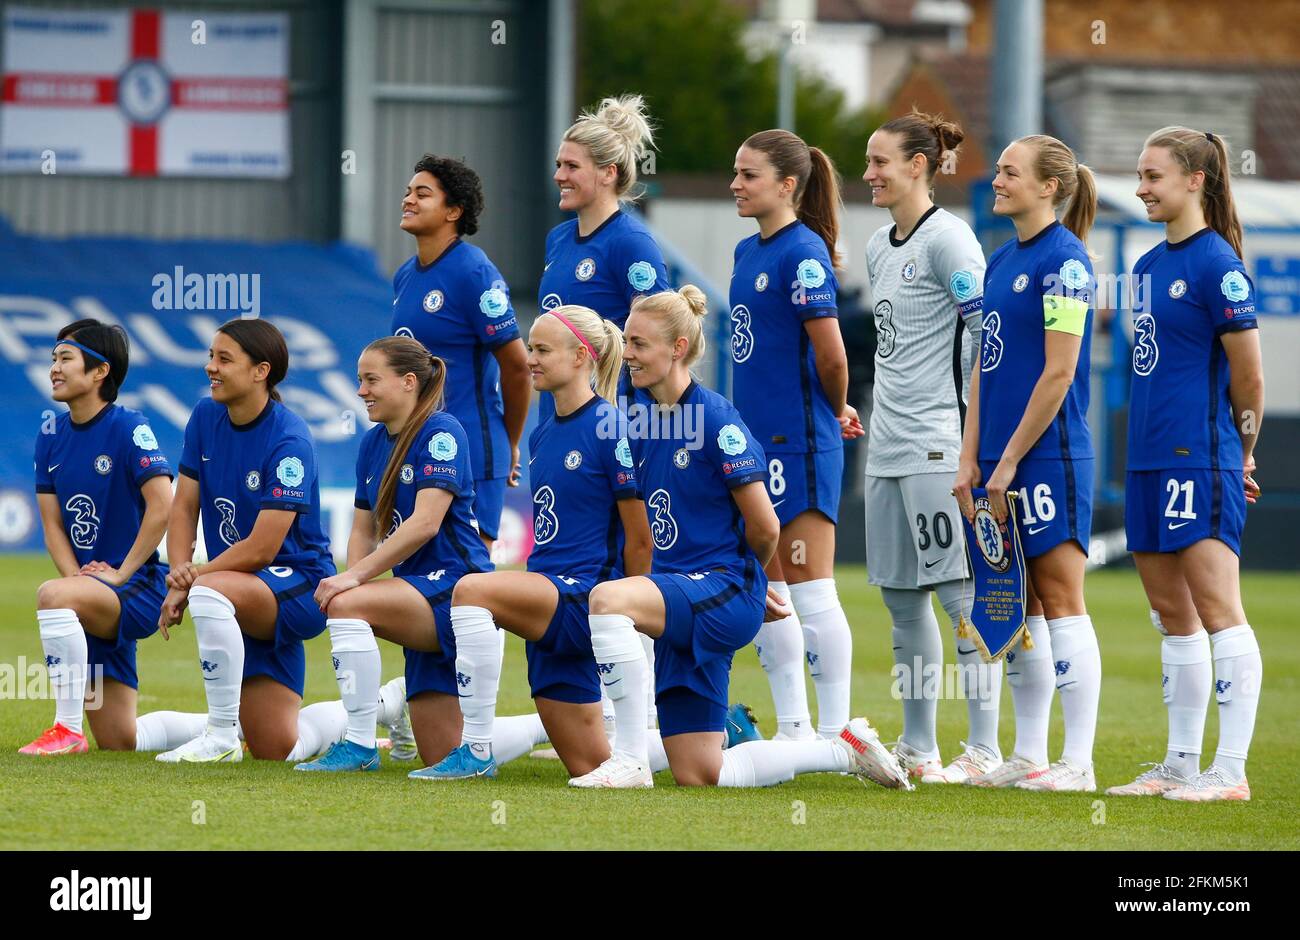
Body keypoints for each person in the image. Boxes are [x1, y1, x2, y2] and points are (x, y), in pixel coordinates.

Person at [568, 287, 908, 790]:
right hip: (681, 596)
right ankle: (840, 750)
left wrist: (746, 582)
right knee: (700, 773)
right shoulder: (642, 419)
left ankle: (630, 758)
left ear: (678, 348)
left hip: (717, 589)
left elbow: (767, 526)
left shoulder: (715, 419)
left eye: (639, 343)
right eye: (627, 341)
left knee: (608, 599)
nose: (629, 354)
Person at [415, 306, 654, 780]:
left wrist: (630, 612)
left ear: (582, 357)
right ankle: (713, 736)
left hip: (584, 596)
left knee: (470, 590)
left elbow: (640, 536)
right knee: (590, 766)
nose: (529, 359)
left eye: (542, 349)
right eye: (529, 347)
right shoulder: (544, 433)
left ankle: (477, 749)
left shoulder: (611, 427)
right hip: (547, 595)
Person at [300, 337, 547, 774]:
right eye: (360, 381)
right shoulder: (374, 443)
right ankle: (534, 728)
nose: (361, 391)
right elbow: (363, 529)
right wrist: (362, 579)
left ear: (408, 382)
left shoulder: (442, 431)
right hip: (416, 592)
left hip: (456, 590)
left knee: (345, 603)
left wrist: (354, 583)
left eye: (371, 380)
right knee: (442, 754)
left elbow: (425, 523)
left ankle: (359, 746)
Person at [1106, 127, 1263, 803]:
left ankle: (1229, 771)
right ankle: (1178, 764)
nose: (1141, 188)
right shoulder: (1145, 268)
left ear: (1195, 179)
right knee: (1173, 616)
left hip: (1197, 460)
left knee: (1219, 609)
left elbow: (1249, 375)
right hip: (1145, 459)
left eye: (1153, 176)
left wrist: (1243, 449)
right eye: (1139, 176)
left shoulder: (1216, 263)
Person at [954, 134, 1103, 792]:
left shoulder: (1067, 261)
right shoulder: (998, 260)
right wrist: (971, 456)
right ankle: (1031, 753)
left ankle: (1079, 762)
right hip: (994, 463)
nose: (997, 179)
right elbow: (985, 370)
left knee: (1063, 600)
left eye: (1011, 172)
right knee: (1021, 606)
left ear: (1049, 186)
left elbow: (1060, 371)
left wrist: (1010, 458)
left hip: (1048, 458)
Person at [861, 111, 1003, 782]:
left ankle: (984, 749)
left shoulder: (951, 240)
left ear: (919, 165)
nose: (869, 174)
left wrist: (972, 433)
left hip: (936, 445)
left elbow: (986, 337)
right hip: (885, 446)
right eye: (868, 161)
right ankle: (919, 747)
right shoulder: (876, 246)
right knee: (900, 602)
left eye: (881, 162)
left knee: (959, 596)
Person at [156, 319, 343, 763]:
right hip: (238, 587)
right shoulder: (205, 416)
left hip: (298, 585)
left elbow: (262, 548)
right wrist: (179, 567)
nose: (210, 368)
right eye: (210, 356)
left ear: (260, 371)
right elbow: (183, 507)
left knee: (209, 590)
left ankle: (220, 738)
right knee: (276, 748)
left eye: (224, 359)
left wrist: (193, 578)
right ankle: (376, 710)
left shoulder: (289, 440)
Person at [728, 128, 861, 743]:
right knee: (769, 585)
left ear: (787, 184)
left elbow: (833, 359)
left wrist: (834, 411)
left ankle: (836, 732)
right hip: (756, 443)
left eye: (748, 175)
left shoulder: (802, 252)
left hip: (799, 445)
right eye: (735, 173)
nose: (735, 184)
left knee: (810, 585)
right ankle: (795, 729)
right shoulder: (745, 253)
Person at [20, 319, 206, 756]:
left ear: (100, 371)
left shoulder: (128, 427)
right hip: (94, 591)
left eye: (65, 358)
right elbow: (52, 525)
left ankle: (66, 731)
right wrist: (79, 581)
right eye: (53, 359)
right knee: (121, 740)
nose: (54, 368)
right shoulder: (50, 436)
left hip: (137, 589)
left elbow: (164, 505)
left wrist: (119, 574)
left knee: (51, 596)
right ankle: (232, 724)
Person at [393, 154, 530, 551]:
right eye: (407, 192)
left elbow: (518, 367)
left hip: (472, 446)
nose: (408, 200)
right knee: (421, 579)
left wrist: (511, 440)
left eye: (422, 194)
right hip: (418, 446)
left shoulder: (474, 272)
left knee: (467, 585)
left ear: (454, 210)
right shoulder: (404, 276)